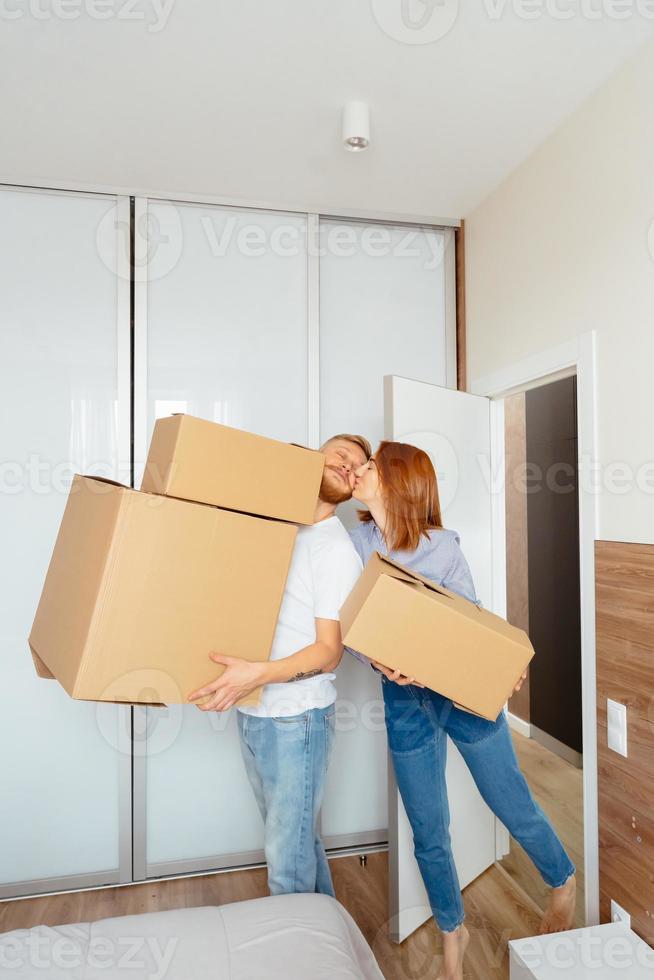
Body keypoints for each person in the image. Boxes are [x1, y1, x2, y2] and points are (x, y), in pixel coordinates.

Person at [349, 440, 577, 980]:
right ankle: (455, 933)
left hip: (460, 700)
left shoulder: (443, 547)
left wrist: (499, 665)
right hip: (405, 703)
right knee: (428, 828)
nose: (357, 472)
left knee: (509, 799)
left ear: (400, 481)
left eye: (369, 466)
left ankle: (562, 878)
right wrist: (383, 664)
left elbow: (470, 624)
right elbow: (351, 624)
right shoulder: (355, 544)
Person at [188, 433, 371, 898]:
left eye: (358, 468)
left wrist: (256, 674)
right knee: (297, 843)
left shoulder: (334, 550)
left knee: (287, 864)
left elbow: (330, 651)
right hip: (254, 709)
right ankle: (332, 953)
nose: (349, 466)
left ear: (353, 491)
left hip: (296, 719)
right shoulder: (275, 530)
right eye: (342, 454)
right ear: (310, 456)